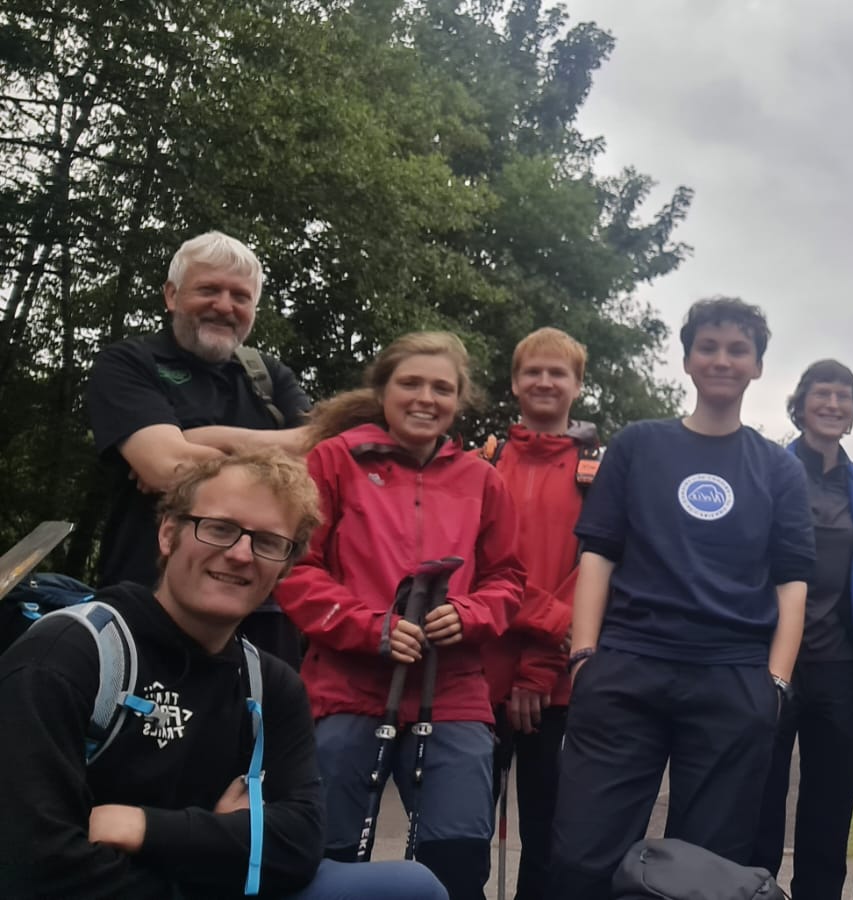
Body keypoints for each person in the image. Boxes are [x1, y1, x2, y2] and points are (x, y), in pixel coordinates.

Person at [0, 452, 447, 900]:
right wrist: (224, 841)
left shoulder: (269, 684)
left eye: (269, 542)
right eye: (218, 528)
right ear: (168, 534)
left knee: (412, 888)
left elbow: (300, 841)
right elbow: (35, 867)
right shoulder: (72, 655)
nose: (240, 554)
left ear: (286, 565)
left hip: (196, 879)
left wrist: (143, 827)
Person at [547, 297, 814, 900]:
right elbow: (598, 554)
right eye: (709, 347)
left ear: (758, 367)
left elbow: (793, 581)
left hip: (732, 677)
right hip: (626, 666)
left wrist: (775, 682)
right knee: (580, 859)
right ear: (689, 360)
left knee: (704, 875)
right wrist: (585, 656)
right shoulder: (638, 446)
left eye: (737, 349)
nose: (722, 359)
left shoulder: (778, 469)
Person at [276, 332, 524, 900]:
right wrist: (370, 626)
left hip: (454, 688)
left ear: (459, 400)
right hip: (346, 684)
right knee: (327, 848)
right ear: (383, 389)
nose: (425, 398)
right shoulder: (334, 460)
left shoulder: (482, 478)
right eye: (410, 383)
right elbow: (295, 567)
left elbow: (508, 579)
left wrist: (469, 613)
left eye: (442, 388)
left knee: (458, 852)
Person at [87, 231, 312, 665]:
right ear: (172, 295)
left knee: (259, 728)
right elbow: (163, 467)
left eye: (240, 296)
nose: (225, 306)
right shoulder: (130, 363)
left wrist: (200, 440)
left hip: (262, 613)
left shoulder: (270, 375)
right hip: (147, 603)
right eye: (209, 289)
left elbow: (320, 460)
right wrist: (274, 465)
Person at [754, 360, 853, 900]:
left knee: (829, 812)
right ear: (800, 404)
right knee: (759, 802)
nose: (833, 404)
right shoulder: (764, 467)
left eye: (844, 396)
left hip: (841, 666)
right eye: (822, 394)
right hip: (769, 660)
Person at [481, 327, 602, 899]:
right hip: (477, 676)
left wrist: (539, 665)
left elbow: (600, 574)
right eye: (534, 371)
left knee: (548, 834)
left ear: (578, 385)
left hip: (556, 683)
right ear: (515, 382)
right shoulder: (483, 460)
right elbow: (476, 566)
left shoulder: (600, 470)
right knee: (462, 828)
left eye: (559, 372)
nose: (545, 381)